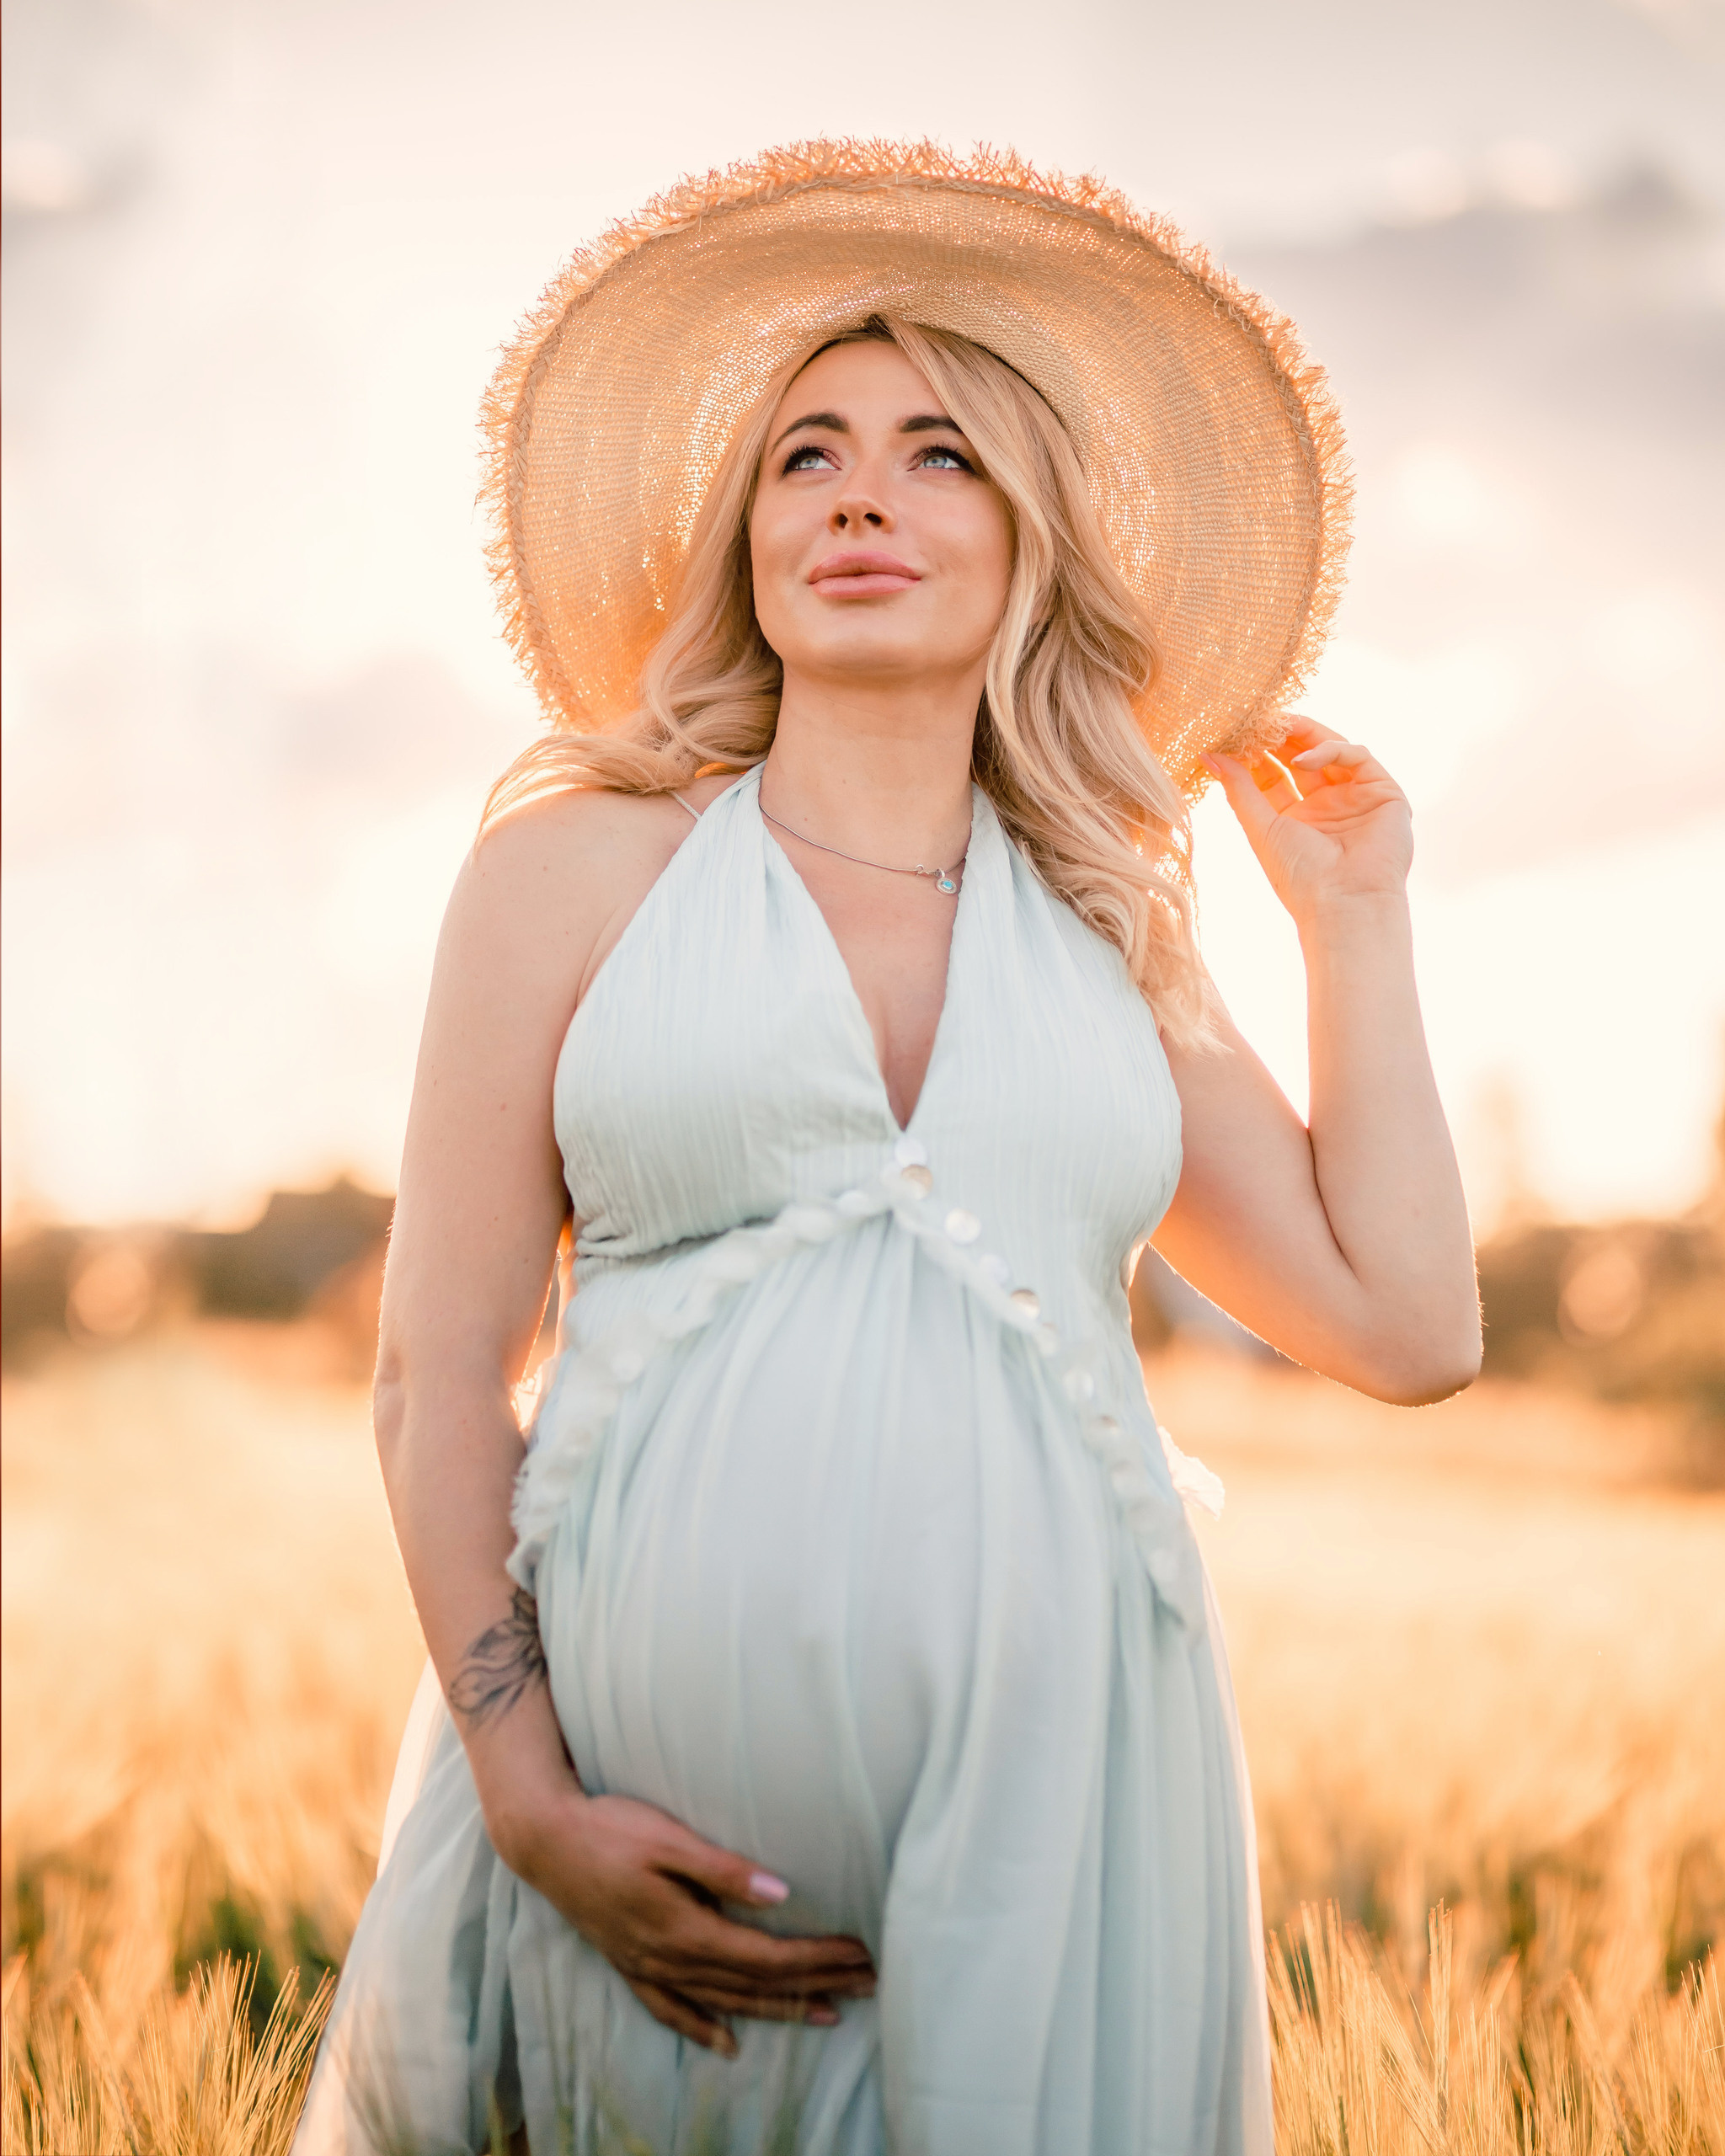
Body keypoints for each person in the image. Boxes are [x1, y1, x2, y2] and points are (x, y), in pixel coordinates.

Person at [294, 142, 1480, 2156]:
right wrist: (526, 1793)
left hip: (1073, 1816)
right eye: (805, 454)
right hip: (636, 1841)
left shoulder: (1109, 932)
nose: (861, 491)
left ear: (1031, 542)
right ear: (745, 537)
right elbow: (436, 1365)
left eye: (939, 453)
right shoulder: (577, 865)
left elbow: (1406, 1322)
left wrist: (1351, 915)